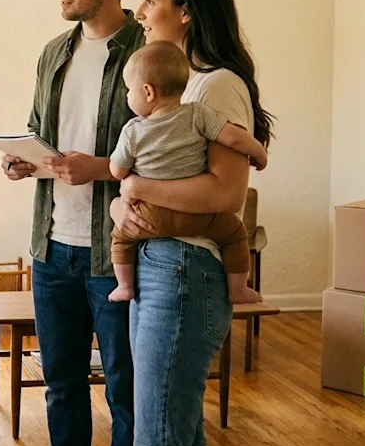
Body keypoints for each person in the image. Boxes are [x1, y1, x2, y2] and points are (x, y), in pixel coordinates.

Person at [112, 0, 274, 446]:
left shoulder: (217, 85)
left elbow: (225, 194)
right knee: (174, 434)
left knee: (158, 444)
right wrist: (123, 201)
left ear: (186, 12)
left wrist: (136, 186)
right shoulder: (181, 90)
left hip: (183, 270)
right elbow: (140, 176)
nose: (138, 11)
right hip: (162, 264)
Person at [2, 0, 143, 446]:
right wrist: (22, 159)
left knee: (126, 393)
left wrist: (101, 167)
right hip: (51, 248)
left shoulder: (148, 54)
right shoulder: (53, 53)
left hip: (120, 256)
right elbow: (41, 131)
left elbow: (164, 154)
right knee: (61, 386)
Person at [105, 40, 268, 304]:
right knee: (236, 234)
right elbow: (234, 138)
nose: (127, 96)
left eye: (128, 90)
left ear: (147, 92)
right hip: (199, 218)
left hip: (148, 217)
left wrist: (125, 174)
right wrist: (259, 153)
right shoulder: (197, 114)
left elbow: (117, 170)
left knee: (120, 239)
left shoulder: (133, 130)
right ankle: (238, 289)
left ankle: (124, 286)